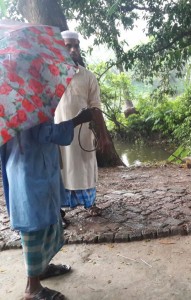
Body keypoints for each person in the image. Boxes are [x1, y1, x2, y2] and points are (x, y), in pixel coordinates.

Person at [0, 108, 95, 300]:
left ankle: (41, 269)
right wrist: (78, 119)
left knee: (46, 222)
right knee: (34, 227)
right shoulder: (25, 104)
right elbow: (45, 133)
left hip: (30, 165)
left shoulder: (13, 100)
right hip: (30, 170)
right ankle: (32, 288)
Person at [55, 30, 111, 222]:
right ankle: (58, 210)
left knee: (86, 169)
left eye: (75, 46)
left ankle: (90, 203)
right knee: (60, 171)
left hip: (83, 134)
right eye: (68, 46)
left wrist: (103, 136)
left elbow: (96, 108)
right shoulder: (52, 76)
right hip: (58, 133)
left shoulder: (88, 77)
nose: (73, 50)